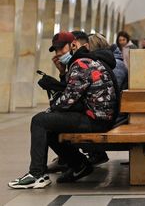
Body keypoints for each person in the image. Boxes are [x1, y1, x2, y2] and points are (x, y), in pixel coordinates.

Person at [8, 32, 119, 189]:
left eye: (61, 48)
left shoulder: (81, 64)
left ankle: (37, 174)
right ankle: (80, 165)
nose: (58, 53)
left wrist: (50, 110)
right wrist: (63, 72)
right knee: (51, 129)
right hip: (99, 117)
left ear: (73, 45)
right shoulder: (84, 61)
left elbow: (68, 99)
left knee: (39, 121)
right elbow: (72, 93)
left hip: (95, 120)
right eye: (55, 50)